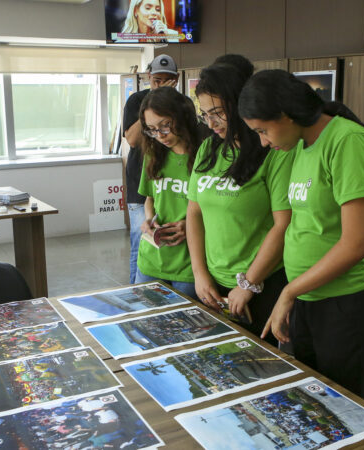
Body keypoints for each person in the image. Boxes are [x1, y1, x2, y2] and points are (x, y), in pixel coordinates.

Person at [238, 69, 364, 403]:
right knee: (306, 401)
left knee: (345, 407)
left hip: (345, 303)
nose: (263, 141)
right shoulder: (299, 146)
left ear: (286, 115)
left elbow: (357, 243)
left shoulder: (347, 141)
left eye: (263, 130)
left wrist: (289, 291)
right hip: (306, 296)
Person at [186, 63, 293, 347]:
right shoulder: (209, 149)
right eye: (205, 114)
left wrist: (248, 284)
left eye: (218, 113)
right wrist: (200, 275)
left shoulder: (273, 150)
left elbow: (284, 224)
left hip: (260, 285)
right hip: (213, 285)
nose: (211, 124)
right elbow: (194, 212)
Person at [134, 86, 201, 299]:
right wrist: (148, 220)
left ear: (180, 116)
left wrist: (188, 225)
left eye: (165, 125)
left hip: (188, 265)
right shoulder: (154, 154)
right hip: (151, 260)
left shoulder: (205, 155)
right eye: (152, 129)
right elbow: (149, 199)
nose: (160, 135)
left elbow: (215, 210)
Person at [123, 54, 178, 284]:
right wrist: (153, 101)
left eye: (166, 80)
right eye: (157, 80)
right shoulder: (137, 101)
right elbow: (133, 139)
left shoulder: (178, 105)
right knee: (141, 240)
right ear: (148, 78)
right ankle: (135, 294)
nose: (160, 84)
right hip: (141, 185)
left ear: (175, 81)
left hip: (171, 186)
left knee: (166, 241)